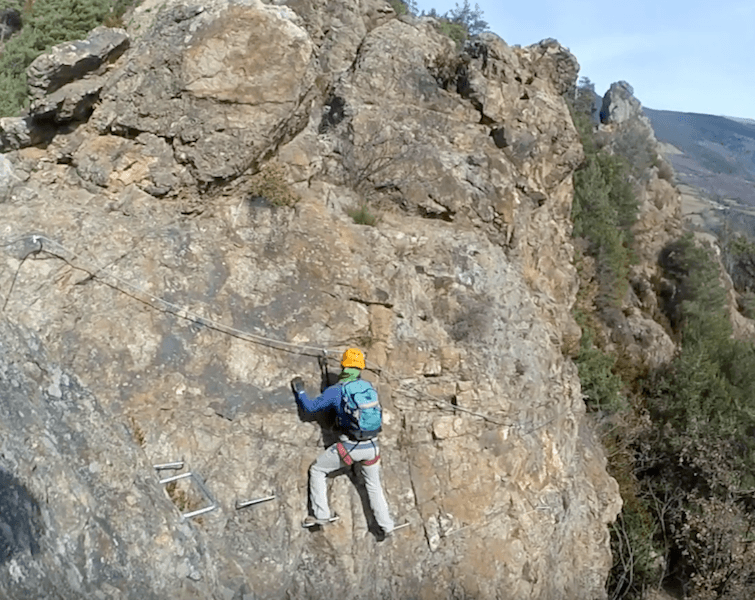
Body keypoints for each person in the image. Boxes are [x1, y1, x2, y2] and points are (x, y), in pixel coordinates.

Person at [292, 348, 395, 538]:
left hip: (350, 447)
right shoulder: (368, 387)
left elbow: (310, 408)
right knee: (374, 485)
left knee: (317, 470)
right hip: (372, 447)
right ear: (360, 368)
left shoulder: (336, 391)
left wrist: (300, 391)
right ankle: (387, 525)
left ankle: (321, 515)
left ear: (343, 365)